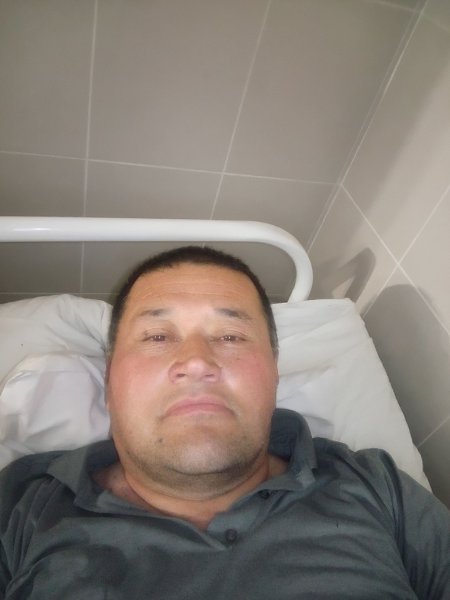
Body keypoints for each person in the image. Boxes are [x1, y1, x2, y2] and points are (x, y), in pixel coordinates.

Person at [0, 246, 449, 599]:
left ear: (275, 372)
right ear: (110, 379)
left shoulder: (376, 488)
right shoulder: (22, 506)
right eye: (157, 336)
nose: (197, 362)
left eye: (231, 336)